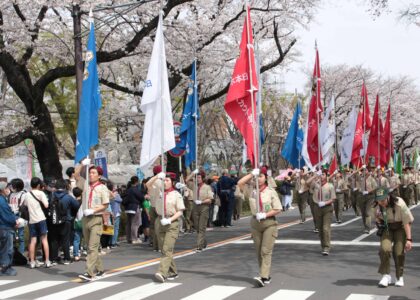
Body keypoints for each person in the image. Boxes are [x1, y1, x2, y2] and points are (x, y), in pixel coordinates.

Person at [237, 167, 281, 287]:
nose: (259, 179)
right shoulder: (251, 190)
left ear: (265, 178)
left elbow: (278, 209)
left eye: (261, 176)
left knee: (265, 251)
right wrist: (252, 174)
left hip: (269, 223)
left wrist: (265, 214)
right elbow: (240, 183)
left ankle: (263, 276)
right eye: (258, 176)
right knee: (258, 252)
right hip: (256, 224)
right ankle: (266, 275)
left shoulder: (271, 191)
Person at [75, 162, 110, 282]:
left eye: (93, 173)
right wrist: (82, 165)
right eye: (90, 172)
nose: (90, 174)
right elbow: (77, 176)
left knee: (92, 246)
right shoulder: (86, 186)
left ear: (99, 175)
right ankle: (100, 269)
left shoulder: (102, 188)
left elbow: (105, 204)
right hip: (86, 218)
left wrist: (93, 210)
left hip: (96, 218)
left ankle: (89, 272)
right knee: (91, 247)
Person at [148, 172, 184, 283]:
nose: (165, 182)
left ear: (172, 182)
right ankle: (173, 271)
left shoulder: (176, 194)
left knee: (167, 248)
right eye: (164, 180)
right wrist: (157, 176)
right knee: (164, 249)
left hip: (171, 222)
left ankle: (162, 273)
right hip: (159, 221)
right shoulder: (159, 192)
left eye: (167, 180)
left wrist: (169, 219)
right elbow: (148, 185)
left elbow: (180, 211)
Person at [375, 187, 414, 287]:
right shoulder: (377, 206)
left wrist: (409, 239)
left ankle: (399, 276)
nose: (381, 202)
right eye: (379, 200)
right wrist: (378, 220)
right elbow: (377, 219)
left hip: (400, 227)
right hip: (387, 227)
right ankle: (386, 275)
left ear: (388, 196)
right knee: (384, 249)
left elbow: (407, 222)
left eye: (383, 200)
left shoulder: (399, 203)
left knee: (398, 252)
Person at [49, 179, 80, 265]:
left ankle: (54, 259)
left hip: (53, 221)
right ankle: (67, 258)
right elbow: (77, 205)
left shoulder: (52, 196)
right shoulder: (68, 197)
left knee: (54, 240)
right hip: (65, 220)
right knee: (65, 240)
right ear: (65, 187)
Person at [24, 177, 52, 268]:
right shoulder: (41, 193)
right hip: (41, 219)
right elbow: (46, 205)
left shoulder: (27, 194)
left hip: (32, 220)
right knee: (44, 240)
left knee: (33, 241)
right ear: (39, 185)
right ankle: (47, 261)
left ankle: (32, 261)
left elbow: (25, 205)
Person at [307, 171, 336, 255]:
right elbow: (307, 183)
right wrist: (315, 175)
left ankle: (327, 247)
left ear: (326, 176)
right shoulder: (316, 184)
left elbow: (333, 199)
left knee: (325, 228)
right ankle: (323, 246)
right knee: (320, 229)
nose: (321, 176)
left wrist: (325, 203)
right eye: (321, 174)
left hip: (327, 208)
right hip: (317, 208)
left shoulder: (330, 186)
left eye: (323, 174)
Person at [187, 170, 213, 252]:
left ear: (203, 178)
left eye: (199, 177)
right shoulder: (194, 186)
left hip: (204, 207)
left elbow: (210, 199)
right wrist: (192, 173)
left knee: (202, 227)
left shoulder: (207, 187)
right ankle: (203, 242)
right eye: (196, 177)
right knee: (197, 227)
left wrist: (202, 201)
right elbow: (186, 180)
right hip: (195, 207)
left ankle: (199, 246)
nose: (197, 179)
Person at [0, 181, 19, 276]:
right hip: (5, 227)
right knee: (8, 249)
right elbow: (7, 216)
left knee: (4, 248)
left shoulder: (3, 199)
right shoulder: (2, 201)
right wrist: (15, 221)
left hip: (3, 227)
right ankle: (5, 268)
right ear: (3, 189)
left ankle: (5, 266)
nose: (9, 189)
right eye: (7, 188)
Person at [7, 178, 26, 254]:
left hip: (19, 215)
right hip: (11, 215)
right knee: (12, 236)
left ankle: (21, 254)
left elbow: (22, 206)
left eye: (13, 186)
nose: (11, 187)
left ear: (17, 186)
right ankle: (14, 254)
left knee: (21, 236)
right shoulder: (10, 194)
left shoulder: (23, 194)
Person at [123, 176, 144, 244]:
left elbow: (122, 197)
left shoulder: (128, 189)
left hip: (127, 208)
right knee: (135, 223)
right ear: (137, 182)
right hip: (134, 207)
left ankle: (129, 238)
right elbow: (141, 197)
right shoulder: (135, 189)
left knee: (129, 223)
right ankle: (134, 238)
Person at [357, 166, 378, 233]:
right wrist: (360, 168)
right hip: (362, 196)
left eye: (365, 170)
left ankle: (368, 227)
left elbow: (375, 187)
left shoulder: (372, 179)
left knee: (367, 212)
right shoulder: (361, 178)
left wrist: (369, 191)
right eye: (363, 170)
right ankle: (365, 226)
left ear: (368, 171)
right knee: (363, 212)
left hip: (370, 197)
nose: (364, 172)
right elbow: (351, 176)